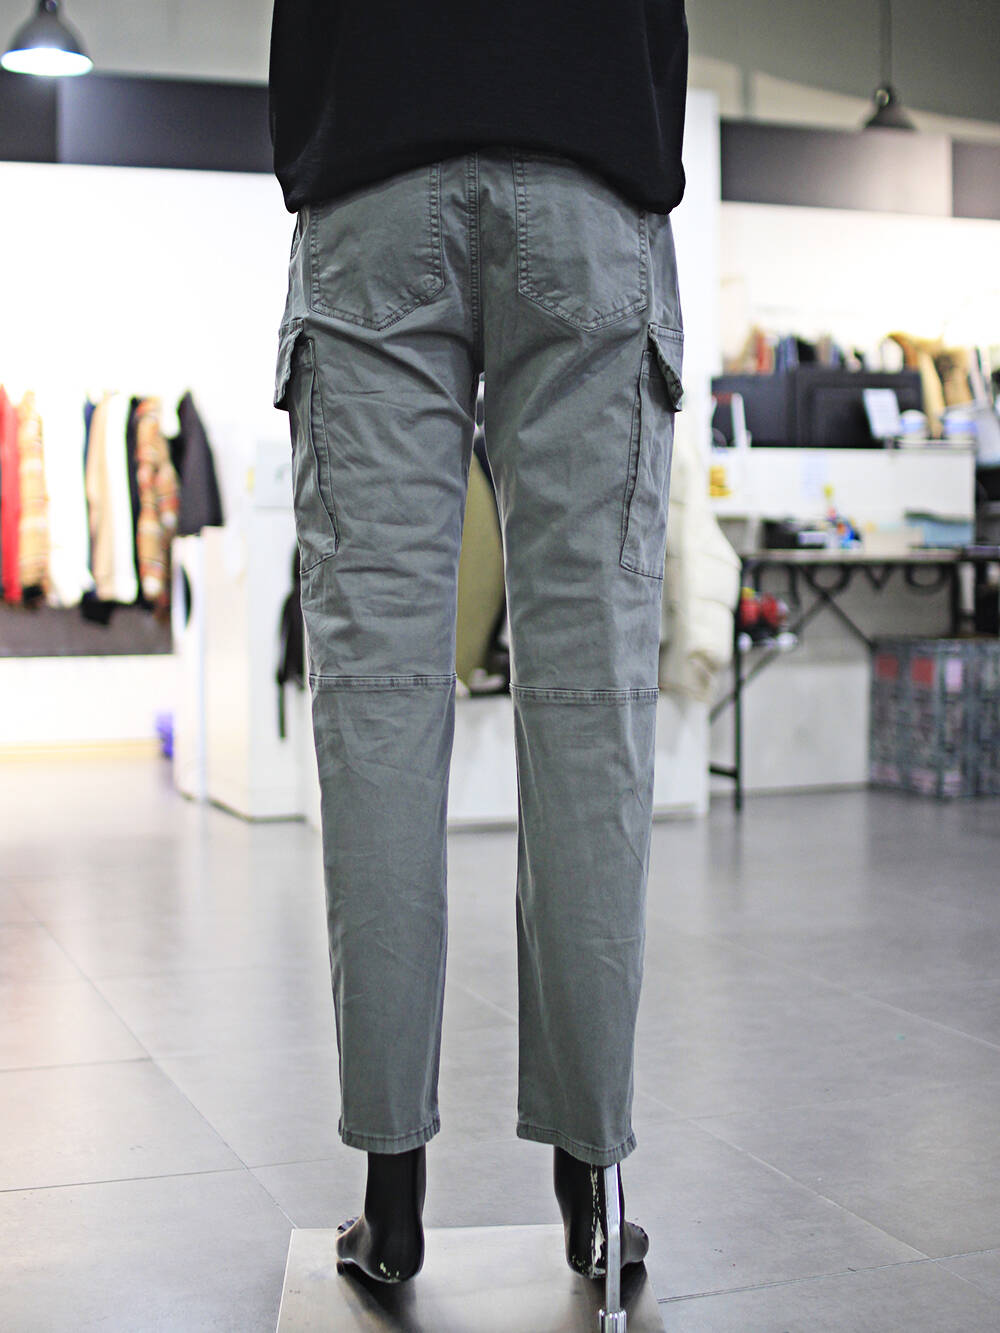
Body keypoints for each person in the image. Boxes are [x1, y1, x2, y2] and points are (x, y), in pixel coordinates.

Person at [268, 0, 689, 1288]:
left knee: (380, 699)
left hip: (372, 168)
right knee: (591, 702)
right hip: (591, 162)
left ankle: (390, 1199)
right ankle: (592, 1188)